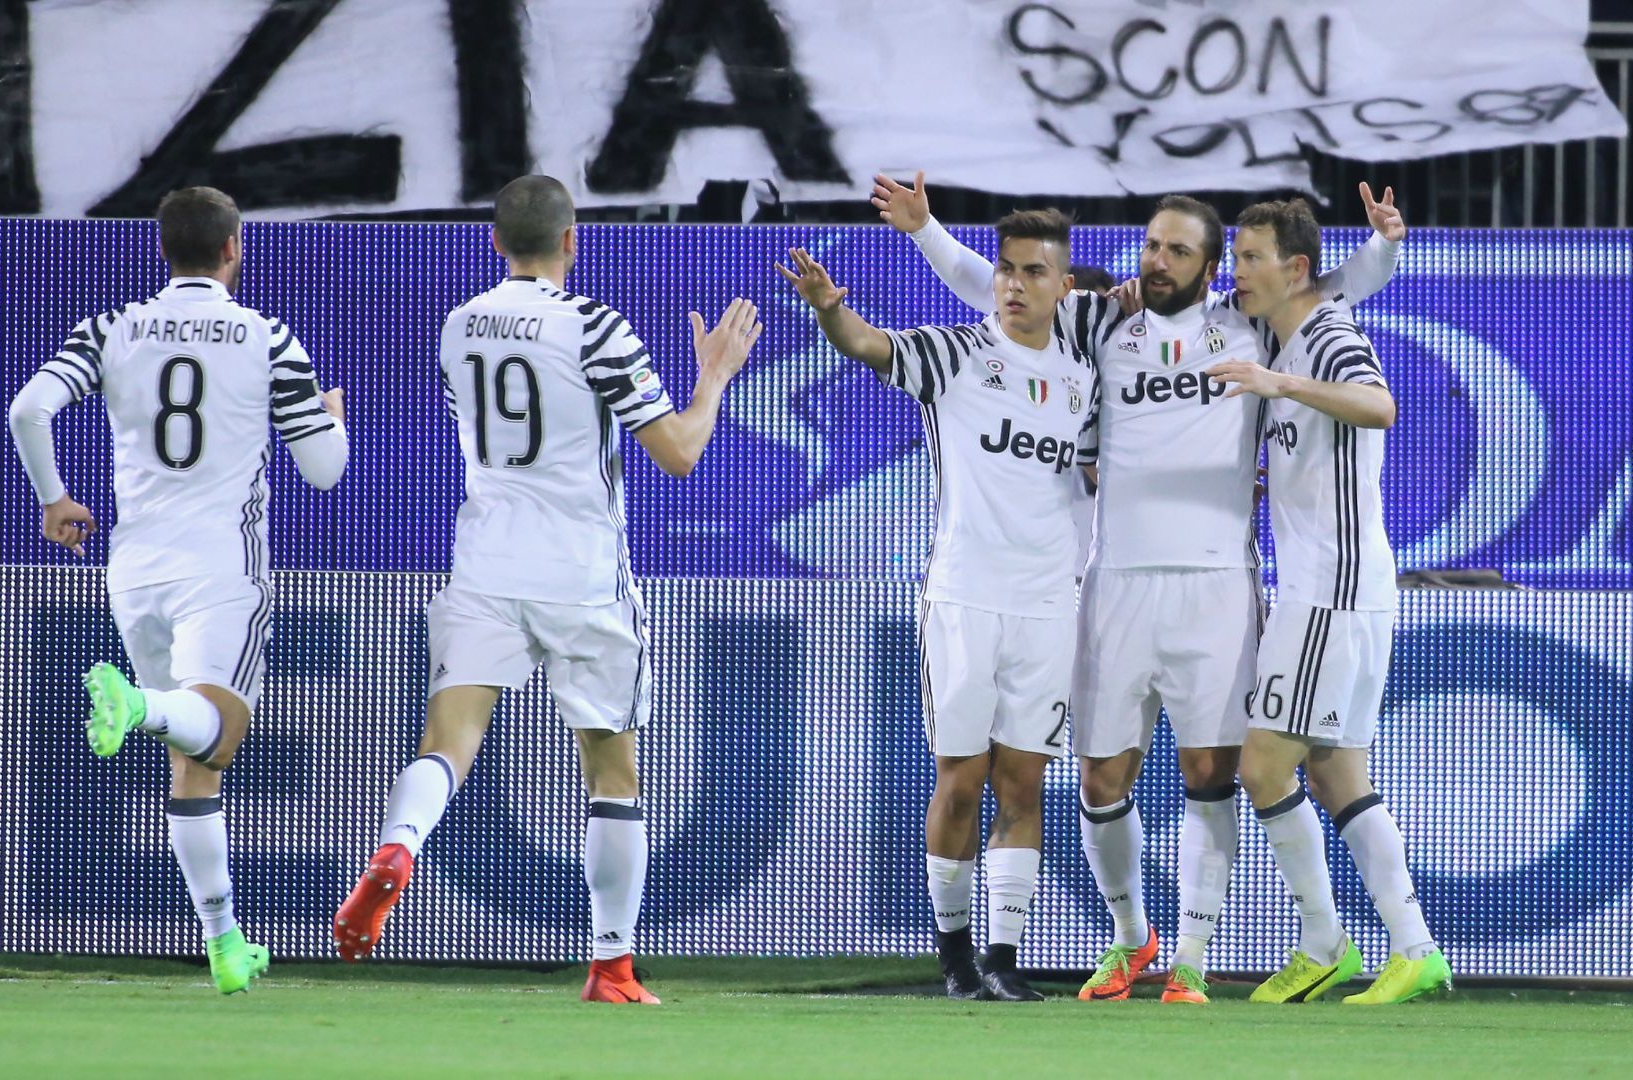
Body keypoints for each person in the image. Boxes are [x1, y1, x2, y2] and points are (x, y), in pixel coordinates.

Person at [873, 171, 1405, 1002]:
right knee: (1098, 781)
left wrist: (1381, 245)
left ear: (1211, 265)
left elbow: (1328, 288)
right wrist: (924, 230)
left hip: (1219, 586)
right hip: (1114, 581)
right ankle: (1131, 939)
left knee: (1208, 774)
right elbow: (1003, 291)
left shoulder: (1247, 328)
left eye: (1178, 250)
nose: (1157, 260)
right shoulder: (1104, 321)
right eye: (1153, 243)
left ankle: (1189, 957)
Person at [332, 175, 762, 1006]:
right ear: (574, 242)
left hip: (487, 562)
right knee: (613, 771)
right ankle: (611, 965)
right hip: (580, 572)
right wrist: (712, 378)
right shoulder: (596, 326)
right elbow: (676, 452)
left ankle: (398, 846)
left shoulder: (459, 326)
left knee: (448, 740)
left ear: (496, 242)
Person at [6, 185, 349, 994]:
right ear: (234, 248)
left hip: (136, 565)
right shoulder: (267, 337)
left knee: (195, 762)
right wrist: (333, 419)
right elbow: (325, 472)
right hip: (219, 564)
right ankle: (136, 705)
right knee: (216, 735)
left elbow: (28, 408)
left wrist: (55, 498)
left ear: (165, 251)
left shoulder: (115, 327)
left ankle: (226, 944)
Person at [777, 210, 1099, 1002]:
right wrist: (828, 308)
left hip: (1051, 602)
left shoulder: (1085, 378)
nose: (1013, 284)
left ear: (1062, 286)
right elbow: (866, 345)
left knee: (1023, 784)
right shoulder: (957, 352)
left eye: (1031, 272)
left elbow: (1101, 473)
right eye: (1005, 269)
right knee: (961, 780)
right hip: (964, 594)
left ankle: (1003, 957)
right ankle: (954, 956)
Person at [1206, 197, 1452, 1005]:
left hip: (1332, 589)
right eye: (1233, 257)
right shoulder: (1289, 329)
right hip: (1340, 587)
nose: (1234, 272)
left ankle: (1323, 944)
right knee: (1341, 772)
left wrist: (1279, 381)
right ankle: (1413, 948)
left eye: (1248, 258)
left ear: (1295, 269)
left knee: (1263, 765)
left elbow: (1380, 405)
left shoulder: (1327, 338)